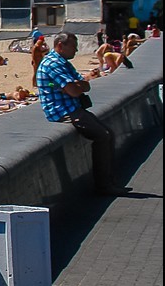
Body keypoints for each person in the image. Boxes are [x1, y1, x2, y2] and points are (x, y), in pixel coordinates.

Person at [36, 32, 129, 197]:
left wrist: (76, 86)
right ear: (60, 46)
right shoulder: (53, 64)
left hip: (72, 108)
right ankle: (103, 185)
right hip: (64, 111)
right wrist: (75, 86)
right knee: (103, 136)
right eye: (73, 46)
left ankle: (109, 181)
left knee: (109, 134)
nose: (76, 50)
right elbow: (74, 90)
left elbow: (85, 85)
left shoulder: (63, 62)